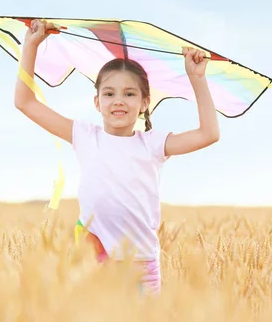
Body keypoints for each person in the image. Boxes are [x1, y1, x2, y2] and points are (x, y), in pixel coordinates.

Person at [14, 19, 220, 294]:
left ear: (145, 103)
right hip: (93, 258)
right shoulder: (85, 136)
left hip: (141, 264)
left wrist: (197, 78)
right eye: (109, 93)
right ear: (97, 102)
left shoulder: (153, 144)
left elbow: (209, 134)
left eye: (129, 93)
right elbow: (24, 102)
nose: (118, 100)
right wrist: (31, 46)